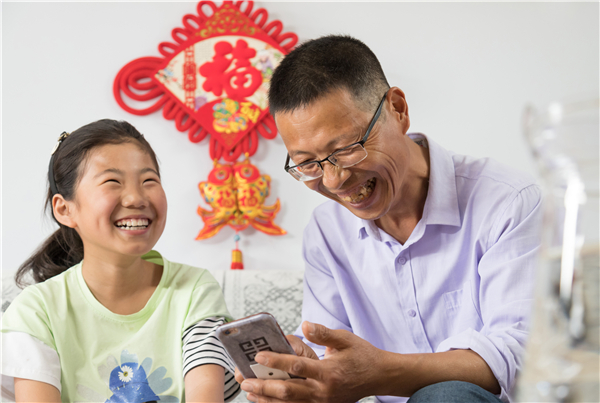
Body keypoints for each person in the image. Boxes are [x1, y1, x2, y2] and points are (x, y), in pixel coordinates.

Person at [234, 35, 542, 403]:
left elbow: (521, 355)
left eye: (346, 148)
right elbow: (330, 352)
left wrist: (382, 374)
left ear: (397, 109)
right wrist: (308, 370)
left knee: (449, 396)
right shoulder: (326, 231)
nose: (333, 180)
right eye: (308, 164)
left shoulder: (508, 202)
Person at [1, 120, 241, 402]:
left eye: (149, 181)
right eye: (112, 182)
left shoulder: (195, 290)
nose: (136, 198)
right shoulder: (35, 311)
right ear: (65, 209)